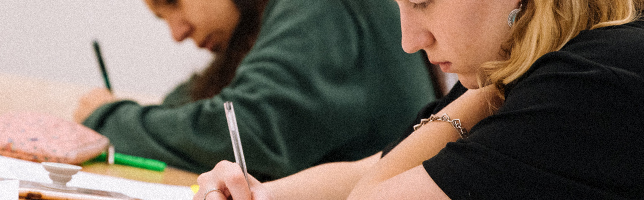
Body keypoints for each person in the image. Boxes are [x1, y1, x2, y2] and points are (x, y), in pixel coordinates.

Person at [194, 0, 644, 199]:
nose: (410, 40)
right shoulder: (573, 61)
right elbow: (378, 167)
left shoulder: (592, 80)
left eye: (423, 2)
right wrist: (261, 195)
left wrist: (488, 87)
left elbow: (374, 197)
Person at [72, 0, 438, 181]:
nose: (177, 32)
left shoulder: (321, 7)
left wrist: (105, 117)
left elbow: (246, 135)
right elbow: (185, 108)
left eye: (173, 3)